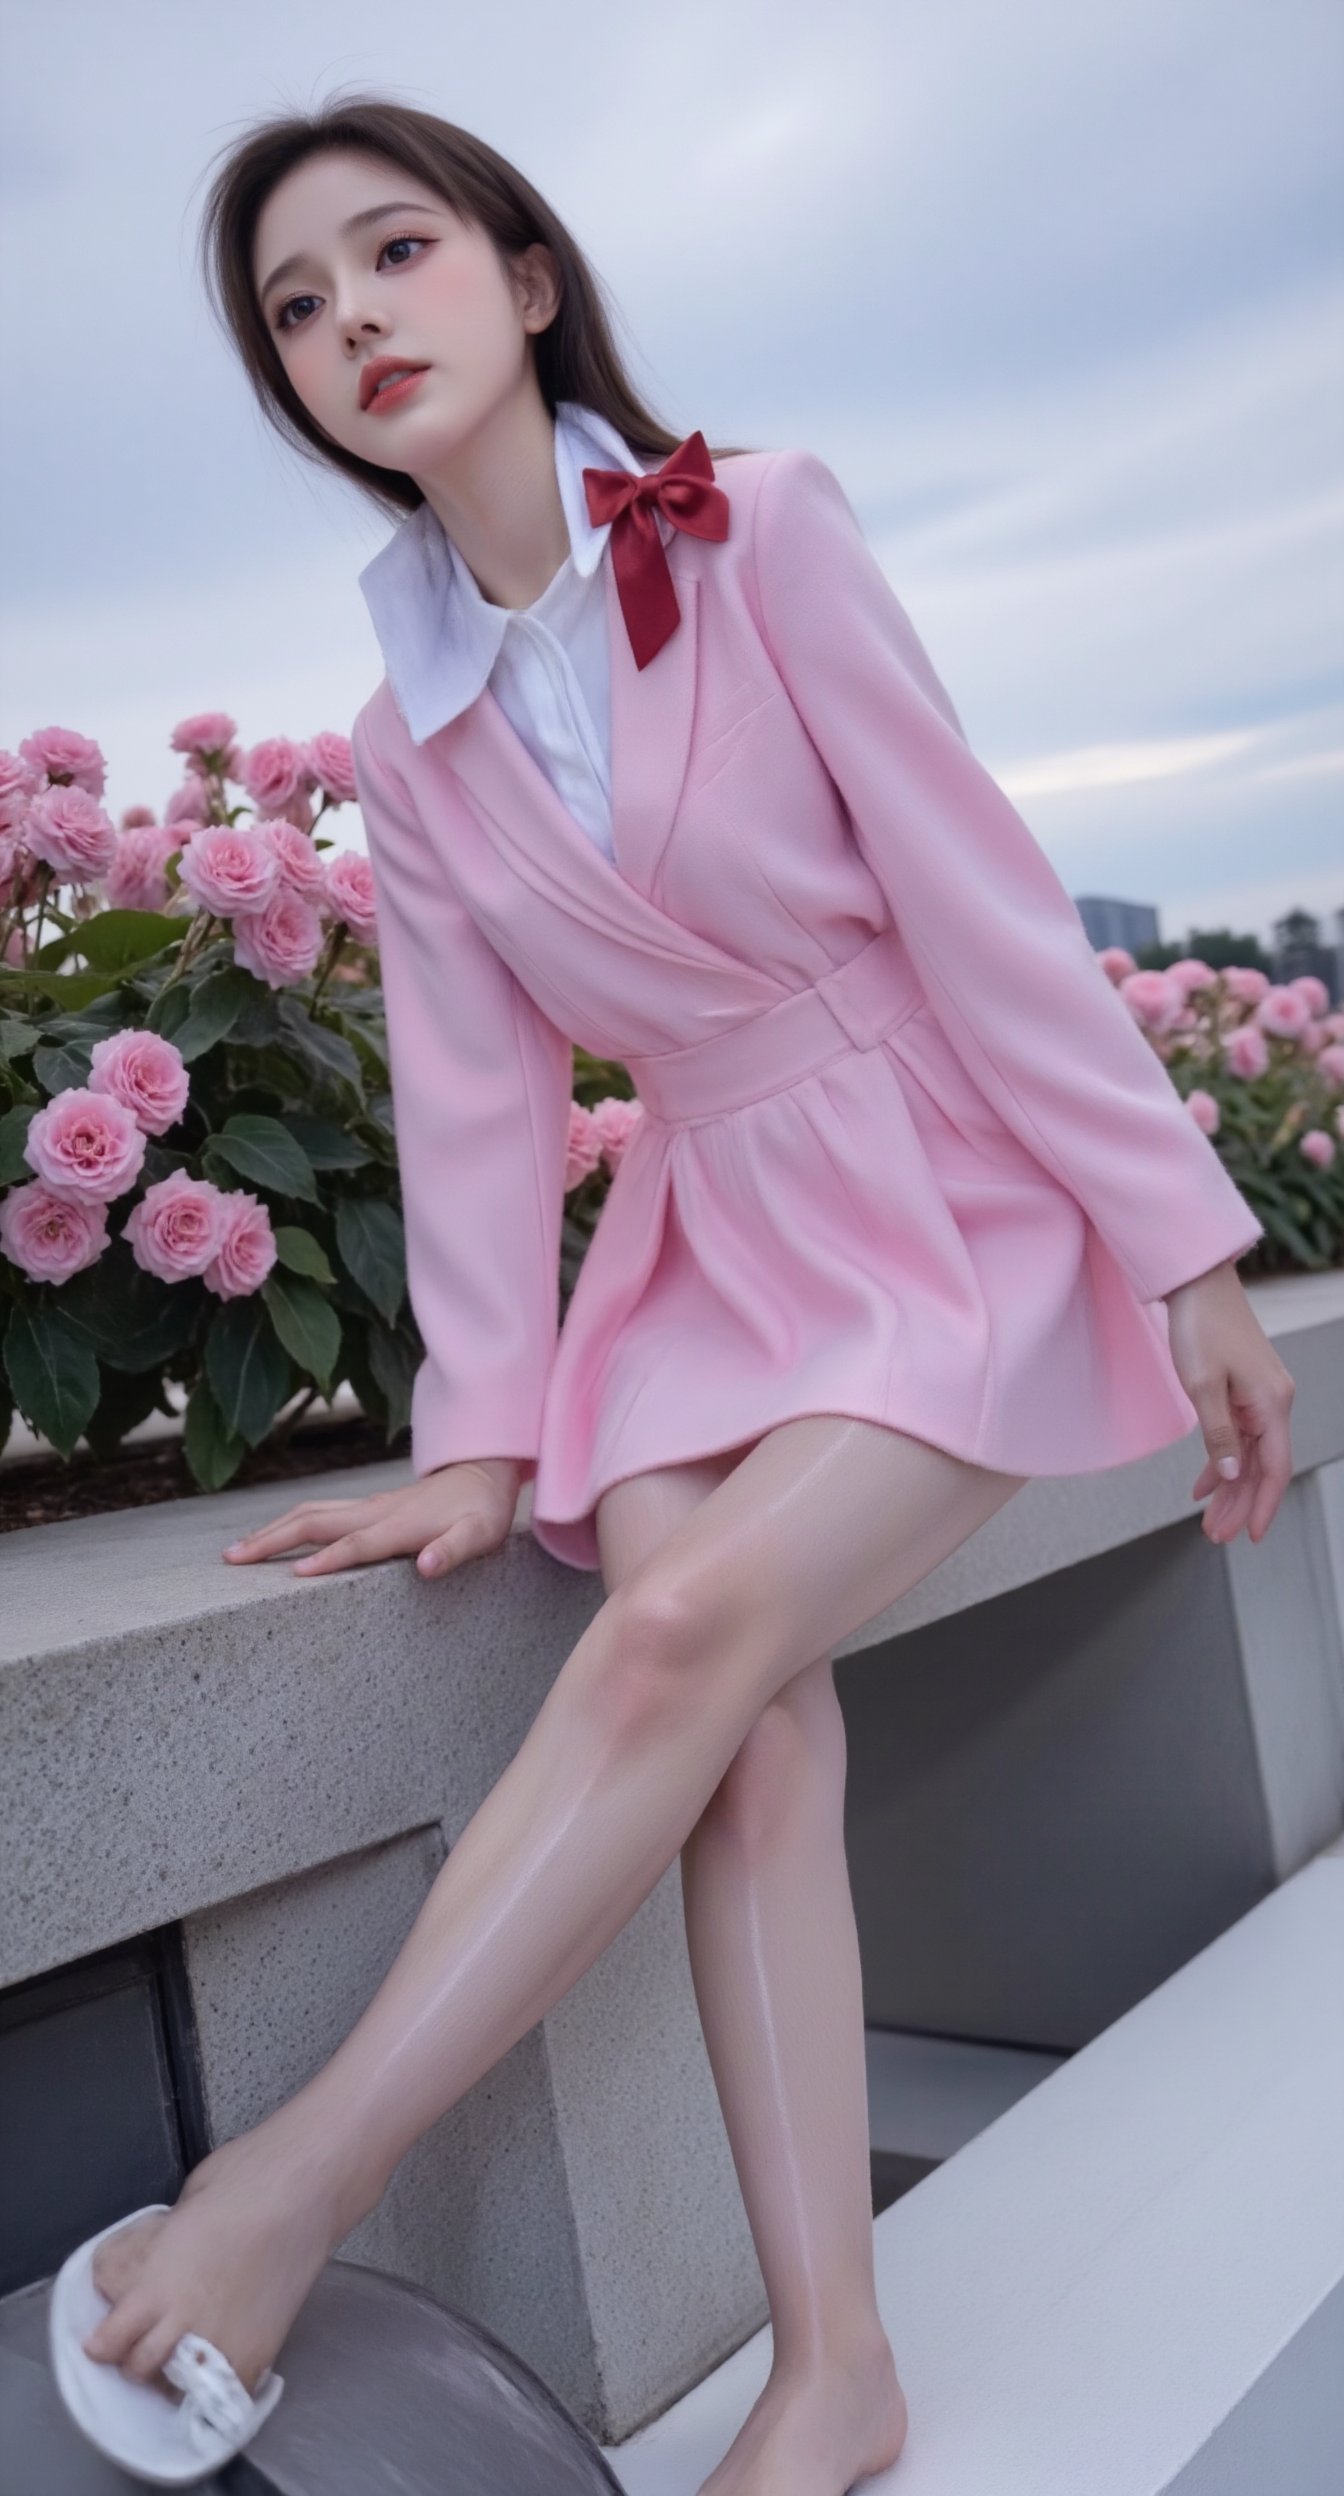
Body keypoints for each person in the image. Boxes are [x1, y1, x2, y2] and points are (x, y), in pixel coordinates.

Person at [77, 96, 1296, 2496]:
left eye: (394, 253)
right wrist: (475, 1446)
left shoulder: (767, 530)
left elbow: (980, 892)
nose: (350, 326)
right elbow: (476, 1104)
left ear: (529, 283)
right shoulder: (399, 740)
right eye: (295, 314)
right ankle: (833, 2377)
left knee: (666, 1641)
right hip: (708, 1253)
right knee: (744, 1728)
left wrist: (1189, 1248)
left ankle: (281, 2195)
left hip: (949, 1194)